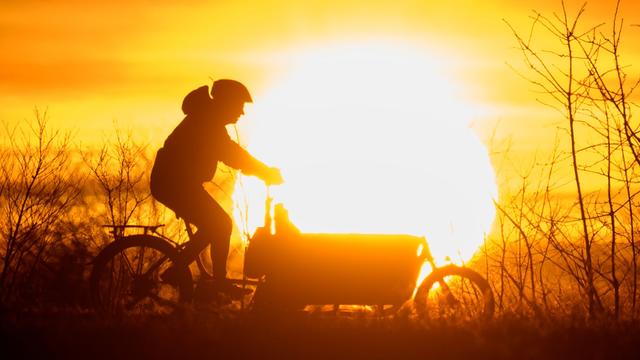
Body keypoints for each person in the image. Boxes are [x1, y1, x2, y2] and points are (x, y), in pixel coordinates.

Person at [150, 79, 283, 296]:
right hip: (174, 185)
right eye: (240, 105)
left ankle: (180, 268)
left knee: (215, 225)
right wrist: (265, 172)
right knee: (220, 224)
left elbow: (232, 155)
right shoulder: (206, 122)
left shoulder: (208, 120)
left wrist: (263, 171)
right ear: (227, 103)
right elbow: (232, 155)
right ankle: (214, 280)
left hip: (179, 184)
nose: (242, 113)